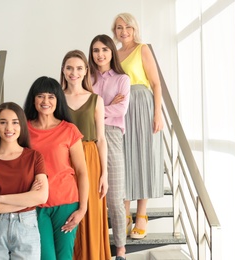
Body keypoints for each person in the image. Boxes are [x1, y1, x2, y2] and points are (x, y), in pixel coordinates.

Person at [23, 76, 89, 260]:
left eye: (51, 96)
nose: (46, 101)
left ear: (58, 99)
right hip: (36, 205)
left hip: (67, 205)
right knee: (46, 258)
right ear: (33, 99)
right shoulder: (22, 130)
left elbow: (82, 172)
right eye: (40, 96)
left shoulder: (69, 130)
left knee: (64, 257)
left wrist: (82, 209)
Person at [111, 12, 164, 240]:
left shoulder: (142, 49)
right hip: (121, 109)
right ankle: (124, 214)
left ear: (134, 29)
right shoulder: (113, 54)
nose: (124, 32)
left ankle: (141, 215)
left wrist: (157, 113)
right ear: (114, 31)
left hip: (141, 104)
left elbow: (155, 83)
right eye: (119, 28)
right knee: (122, 159)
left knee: (142, 157)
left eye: (128, 28)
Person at [0, 102, 49, 259]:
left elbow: (41, 197)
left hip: (27, 226)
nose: (9, 128)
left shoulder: (34, 157)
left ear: (21, 125)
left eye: (15, 122)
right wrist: (27, 199)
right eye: (3, 122)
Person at [60, 50, 111, 260]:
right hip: (64, 159)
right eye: (70, 68)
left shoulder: (95, 100)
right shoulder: (56, 98)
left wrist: (105, 173)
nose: (74, 72)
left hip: (90, 159)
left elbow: (101, 138)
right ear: (63, 70)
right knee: (67, 211)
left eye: (79, 68)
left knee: (90, 212)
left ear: (86, 71)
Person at [88, 34, 130, 259]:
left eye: (104, 49)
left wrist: (97, 111)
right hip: (88, 137)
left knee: (114, 198)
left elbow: (121, 110)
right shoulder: (87, 78)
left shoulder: (122, 79)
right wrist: (105, 107)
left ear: (112, 51)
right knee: (91, 196)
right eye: (95, 50)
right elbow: (81, 108)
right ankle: (96, 248)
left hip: (112, 136)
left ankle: (120, 250)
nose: (100, 54)